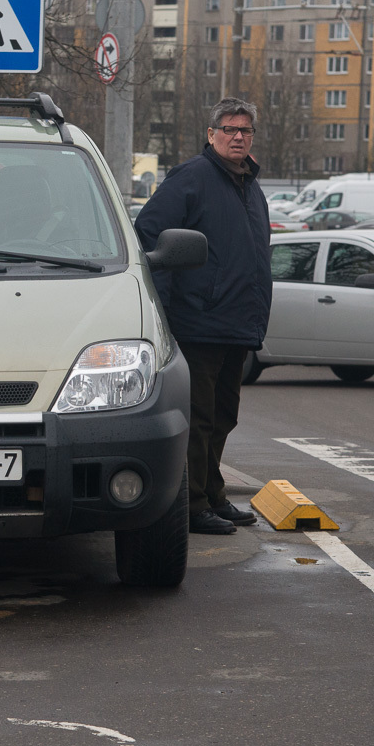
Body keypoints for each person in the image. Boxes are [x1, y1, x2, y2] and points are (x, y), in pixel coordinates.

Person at [134, 98, 272, 535]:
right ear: (211, 135)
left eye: (245, 130)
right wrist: (170, 310)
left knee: (223, 416)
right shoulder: (192, 177)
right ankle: (192, 505)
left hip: (236, 324)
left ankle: (213, 494)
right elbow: (151, 236)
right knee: (198, 418)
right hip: (198, 323)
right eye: (229, 129)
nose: (237, 136)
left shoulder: (250, 185)